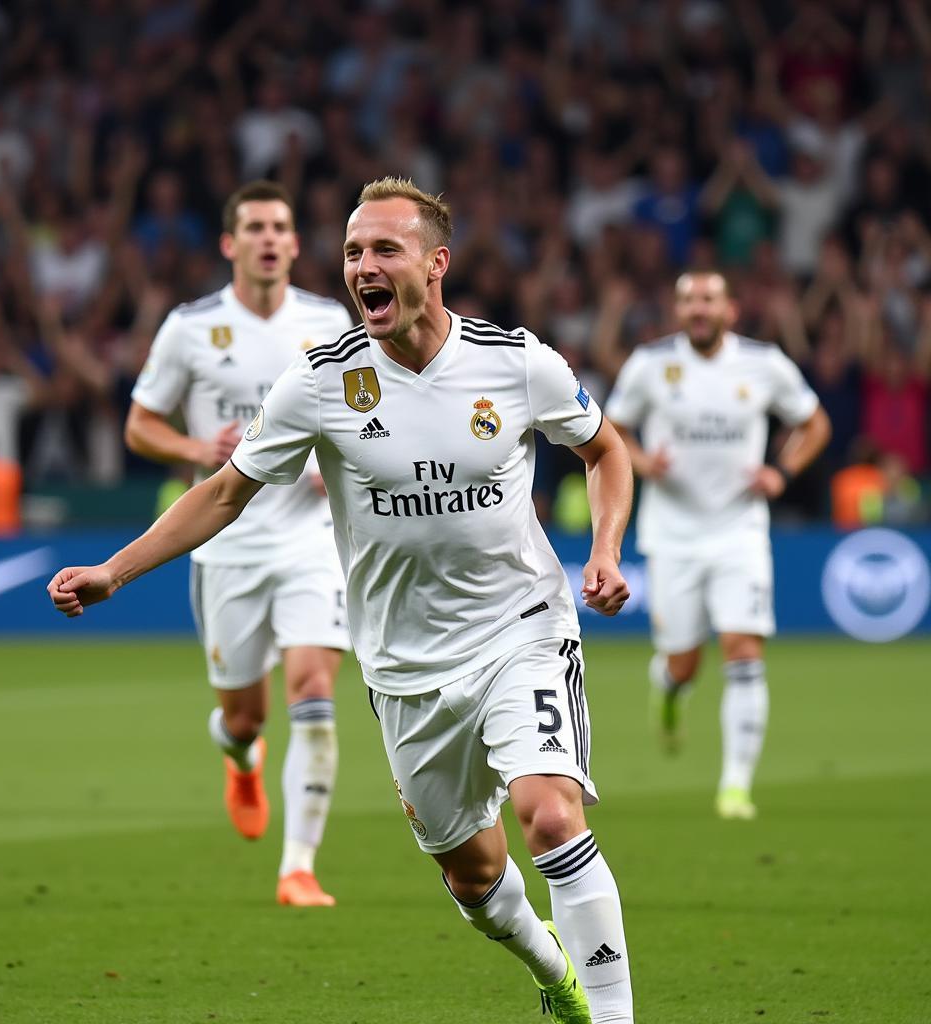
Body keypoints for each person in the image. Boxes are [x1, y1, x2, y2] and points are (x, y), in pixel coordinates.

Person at [50, 177, 636, 1023]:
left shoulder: (516, 363)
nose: (363, 266)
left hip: (522, 630)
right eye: (355, 251)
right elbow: (222, 494)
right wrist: (115, 570)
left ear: (436, 265)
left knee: (549, 816)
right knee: (473, 877)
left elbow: (606, 449)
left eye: (384, 250)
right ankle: (553, 974)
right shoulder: (322, 381)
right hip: (403, 666)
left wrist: (606, 549)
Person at [124, 180, 353, 908]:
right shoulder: (190, 327)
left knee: (314, 689)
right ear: (230, 243)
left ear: (293, 242)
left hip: (311, 539)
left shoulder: (330, 320)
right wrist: (198, 445)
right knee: (245, 713)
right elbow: (139, 425)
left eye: (279, 226)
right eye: (253, 226)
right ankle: (239, 754)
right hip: (225, 543)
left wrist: (336, 460)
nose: (267, 238)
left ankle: (299, 867)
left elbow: (364, 412)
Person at [605, 272, 831, 820]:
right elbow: (610, 427)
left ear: (730, 309)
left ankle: (735, 786)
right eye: (686, 300)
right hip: (674, 534)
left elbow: (814, 422)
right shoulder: (650, 364)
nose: (697, 309)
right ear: (678, 311)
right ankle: (669, 684)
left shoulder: (764, 362)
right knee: (685, 663)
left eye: (707, 299)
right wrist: (640, 461)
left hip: (740, 530)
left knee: (744, 651)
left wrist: (783, 469)